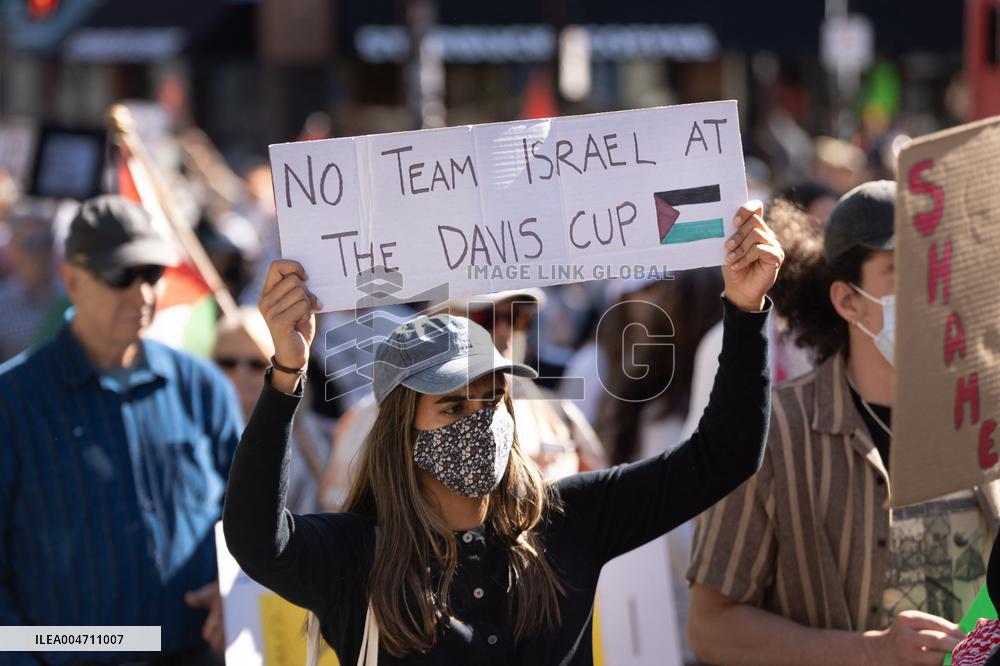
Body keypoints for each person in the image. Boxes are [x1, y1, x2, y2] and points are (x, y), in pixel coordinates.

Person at [223, 201, 783, 665]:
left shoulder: (569, 522)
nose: (480, 420)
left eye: (492, 398)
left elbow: (725, 456)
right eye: (452, 406)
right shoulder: (358, 555)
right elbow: (256, 540)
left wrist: (745, 307)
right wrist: (285, 375)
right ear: (403, 433)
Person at [687, 181, 1000, 666]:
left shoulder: (983, 421)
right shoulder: (771, 435)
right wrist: (870, 652)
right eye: (900, 272)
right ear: (848, 301)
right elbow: (710, 627)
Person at [0, 195, 244, 665]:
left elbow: (250, 519)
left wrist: (234, 585)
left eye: (152, 274)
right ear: (71, 280)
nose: (142, 293)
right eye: (121, 276)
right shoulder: (13, 403)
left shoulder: (203, 388)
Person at [213, 306, 329, 513]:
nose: (241, 374)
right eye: (228, 362)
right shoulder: (196, 431)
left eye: (256, 364)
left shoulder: (317, 437)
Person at [0, 198, 67, 361]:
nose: (40, 252)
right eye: (31, 242)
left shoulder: (72, 298)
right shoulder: (2, 305)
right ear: (13, 248)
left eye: (47, 241)